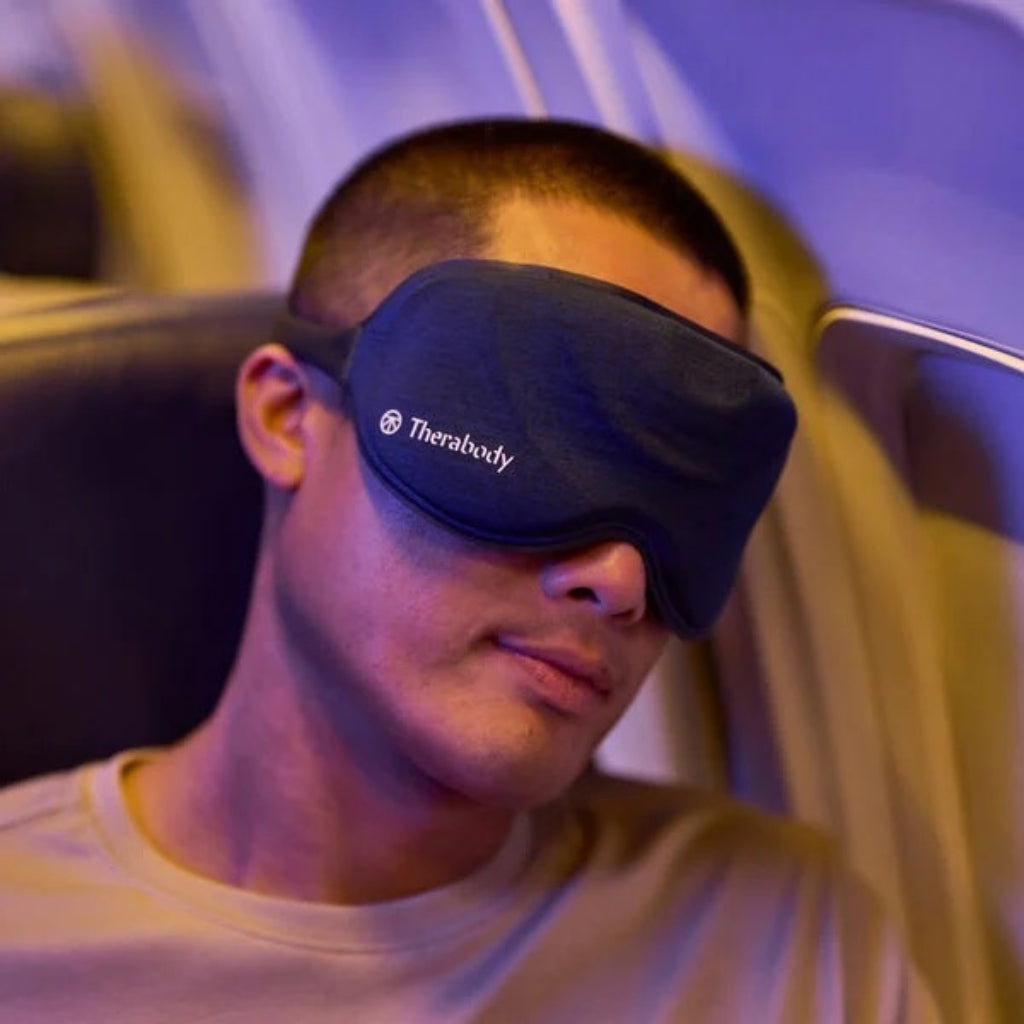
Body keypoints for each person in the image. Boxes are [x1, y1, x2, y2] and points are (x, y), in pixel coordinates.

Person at [0, 118, 939, 1022]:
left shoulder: (783, 948)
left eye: (683, 504)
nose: (619, 581)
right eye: (543, 445)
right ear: (288, 418)